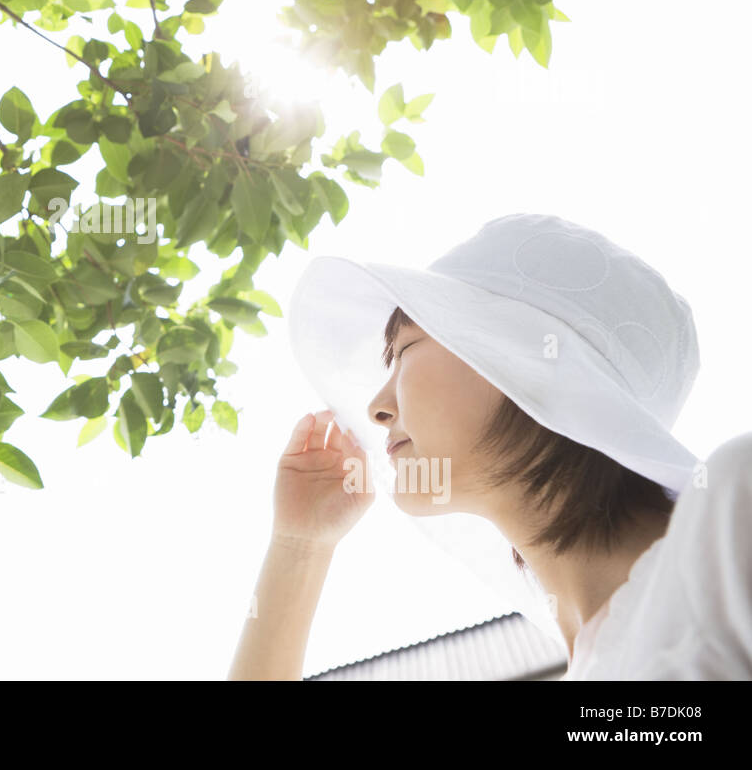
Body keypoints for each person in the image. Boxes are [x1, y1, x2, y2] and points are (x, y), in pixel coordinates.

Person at [228, 213, 752, 680]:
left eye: (405, 349)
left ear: (527, 363)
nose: (377, 408)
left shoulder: (734, 514)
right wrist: (300, 545)